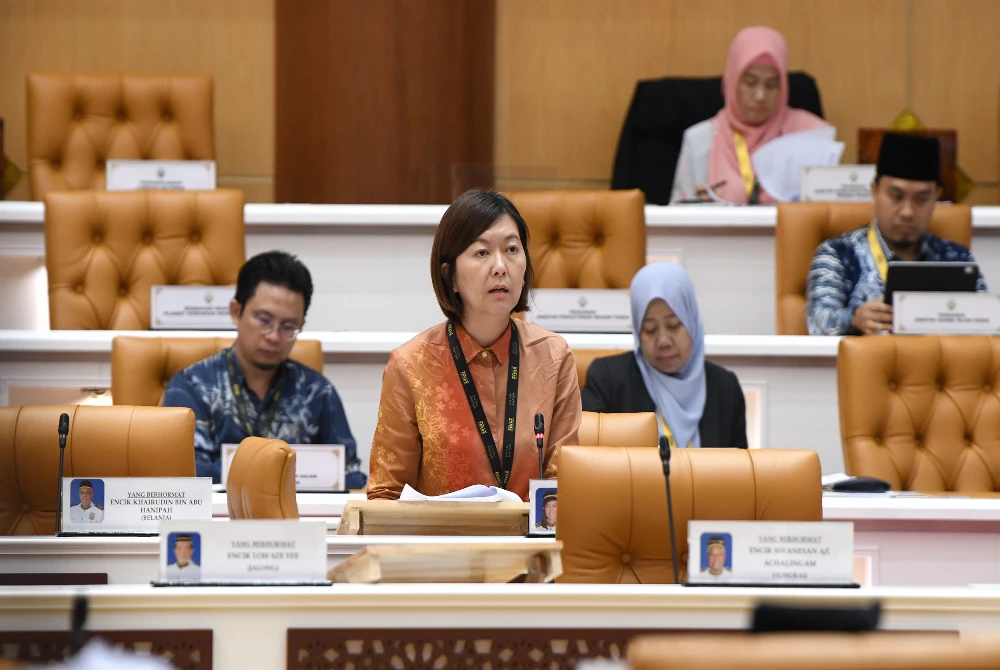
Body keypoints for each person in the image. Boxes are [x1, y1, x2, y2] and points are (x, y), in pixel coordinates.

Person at [367, 189, 582, 501]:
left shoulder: (553, 357)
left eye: (512, 249)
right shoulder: (410, 365)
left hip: (528, 533)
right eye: (482, 253)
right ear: (450, 276)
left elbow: (563, 482)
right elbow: (387, 493)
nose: (500, 266)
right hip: (444, 534)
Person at [164, 251, 364, 487]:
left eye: (288, 326)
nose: (274, 337)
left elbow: (349, 473)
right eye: (264, 320)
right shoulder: (191, 387)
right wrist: (280, 472)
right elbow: (184, 473)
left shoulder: (317, 392)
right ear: (236, 312)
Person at [806, 133, 987, 335]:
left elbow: (988, 325)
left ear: (937, 197)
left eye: (921, 199)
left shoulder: (956, 259)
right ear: (874, 191)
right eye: (896, 196)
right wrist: (854, 319)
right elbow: (817, 323)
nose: (907, 212)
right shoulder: (838, 254)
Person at [582, 263, 747, 449]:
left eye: (674, 325)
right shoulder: (608, 381)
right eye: (650, 329)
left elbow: (739, 466)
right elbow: (589, 458)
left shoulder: (726, 388)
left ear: (692, 323)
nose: (663, 341)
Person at [670, 26, 828, 205]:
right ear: (732, 81)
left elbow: (829, 212)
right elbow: (677, 216)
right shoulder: (700, 140)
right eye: (750, 83)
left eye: (771, 85)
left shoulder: (812, 134)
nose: (760, 96)